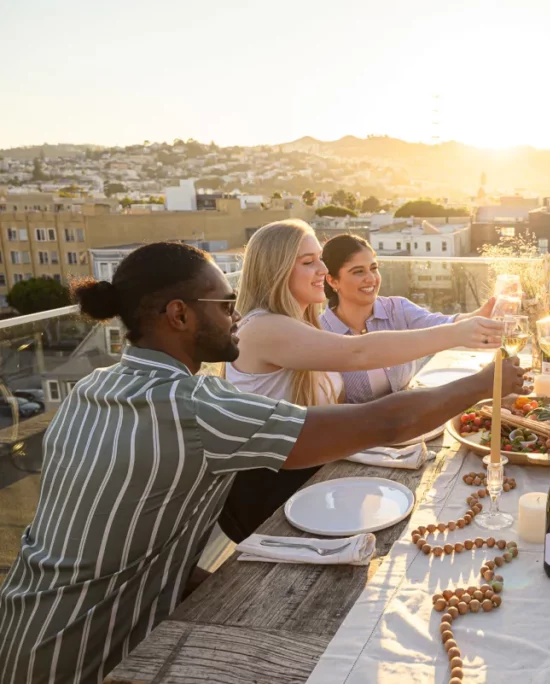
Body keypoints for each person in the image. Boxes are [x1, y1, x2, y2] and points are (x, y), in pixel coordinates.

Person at [0, 242, 523, 684]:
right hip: (86, 656)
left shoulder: (93, 386)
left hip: (22, 625)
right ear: (179, 315)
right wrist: (483, 383)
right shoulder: (195, 407)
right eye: (224, 304)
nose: (235, 317)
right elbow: (385, 424)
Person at [218, 220, 503, 542]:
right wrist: (456, 334)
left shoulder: (300, 325)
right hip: (270, 493)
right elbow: (358, 352)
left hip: (312, 476)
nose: (323, 270)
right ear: (276, 269)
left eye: (321, 260)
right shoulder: (261, 328)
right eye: (308, 262)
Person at [319, 233, 494, 403]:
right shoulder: (319, 332)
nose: (371, 279)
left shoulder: (398, 309)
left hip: (411, 422)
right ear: (333, 281)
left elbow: (443, 325)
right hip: (356, 429)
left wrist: (483, 313)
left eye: (374, 268)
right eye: (358, 272)